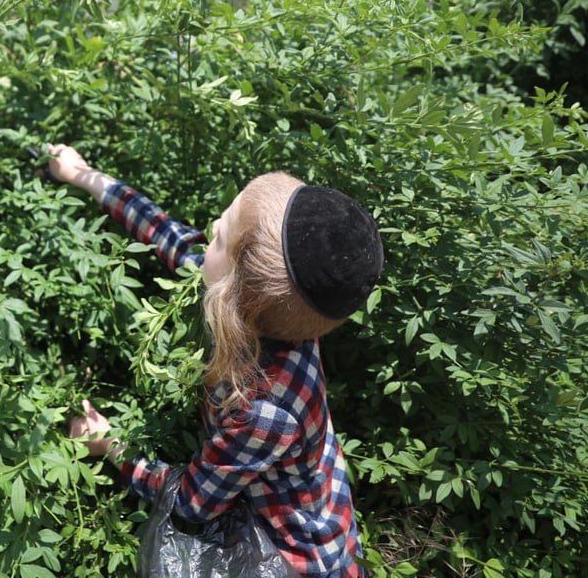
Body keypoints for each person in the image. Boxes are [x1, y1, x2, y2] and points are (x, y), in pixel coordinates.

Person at [48, 144, 383, 578]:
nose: (209, 229)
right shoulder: (275, 314)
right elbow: (169, 237)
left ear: (233, 293)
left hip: (300, 556)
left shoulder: (262, 409)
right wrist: (83, 175)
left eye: (220, 235)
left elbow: (191, 501)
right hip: (309, 487)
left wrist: (110, 445)